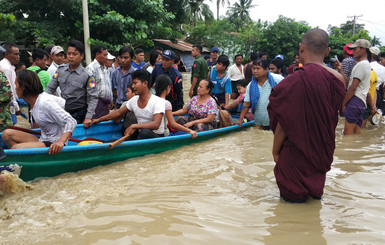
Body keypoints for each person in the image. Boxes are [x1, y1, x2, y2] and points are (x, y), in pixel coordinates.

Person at [267, 29, 346, 203]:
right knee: (314, 209)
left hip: (295, 156)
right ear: (327, 51)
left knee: (290, 213)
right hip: (321, 154)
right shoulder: (339, 80)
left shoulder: (291, 82)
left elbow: (283, 124)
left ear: (301, 48)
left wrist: (275, 151)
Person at [1, 70, 77, 155]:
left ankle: (21, 157)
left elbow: (71, 121)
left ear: (23, 87)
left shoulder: (45, 103)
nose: (15, 88)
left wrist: (60, 142)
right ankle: (24, 160)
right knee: (6, 134)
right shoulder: (33, 102)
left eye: (16, 85)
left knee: (15, 148)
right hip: (43, 138)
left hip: (54, 143)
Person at [92, 70, 165, 139]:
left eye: (135, 83)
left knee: (144, 132)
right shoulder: (133, 100)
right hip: (140, 134)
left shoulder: (158, 101)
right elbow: (118, 113)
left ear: (145, 83)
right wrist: (99, 119)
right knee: (127, 129)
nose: (133, 86)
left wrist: (134, 126)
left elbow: (156, 124)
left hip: (155, 136)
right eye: (132, 83)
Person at [45, 40, 99, 128]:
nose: (71, 57)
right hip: (62, 111)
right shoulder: (60, 70)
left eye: (74, 54)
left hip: (79, 114)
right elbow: (50, 88)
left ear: (81, 56)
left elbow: (93, 97)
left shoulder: (88, 75)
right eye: (69, 53)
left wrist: (88, 117)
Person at [235, 58, 281, 129]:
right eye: (253, 68)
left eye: (258, 68)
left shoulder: (277, 79)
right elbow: (246, 103)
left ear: (266, 70)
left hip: (275, 120)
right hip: (258, 121)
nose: (255, 71)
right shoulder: (251, 85)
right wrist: (240, 120)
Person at [342, 39, 372, 135]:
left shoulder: (361, 65)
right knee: (356, 133)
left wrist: (344, 103)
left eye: (355, 49)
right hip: (361, 102)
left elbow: (353, 87)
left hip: (355, 100)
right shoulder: (366, 64)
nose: (352, 52)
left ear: (363, 49)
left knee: (347, 134)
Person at [86, 45, 112, 119]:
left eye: (107, 55)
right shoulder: (91, 68)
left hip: (106, 102)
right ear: (97, 54)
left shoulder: (105, 68)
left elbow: (108, 85)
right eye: (104, 55)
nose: (106, 57)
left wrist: (110, 98)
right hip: (96, 103)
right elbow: (90, 89)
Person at [0, 42, 20, 123]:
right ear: (7, 54)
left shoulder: (8, 66)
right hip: (6, 106)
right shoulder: (5, 68)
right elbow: (9, 89)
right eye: (16, 54)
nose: (18, 57)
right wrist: (16, 107)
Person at [368, 47, 385, 111]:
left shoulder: (367, 65)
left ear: (371, 55)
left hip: (367, 93)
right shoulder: (383, 69)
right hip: (377, 95)